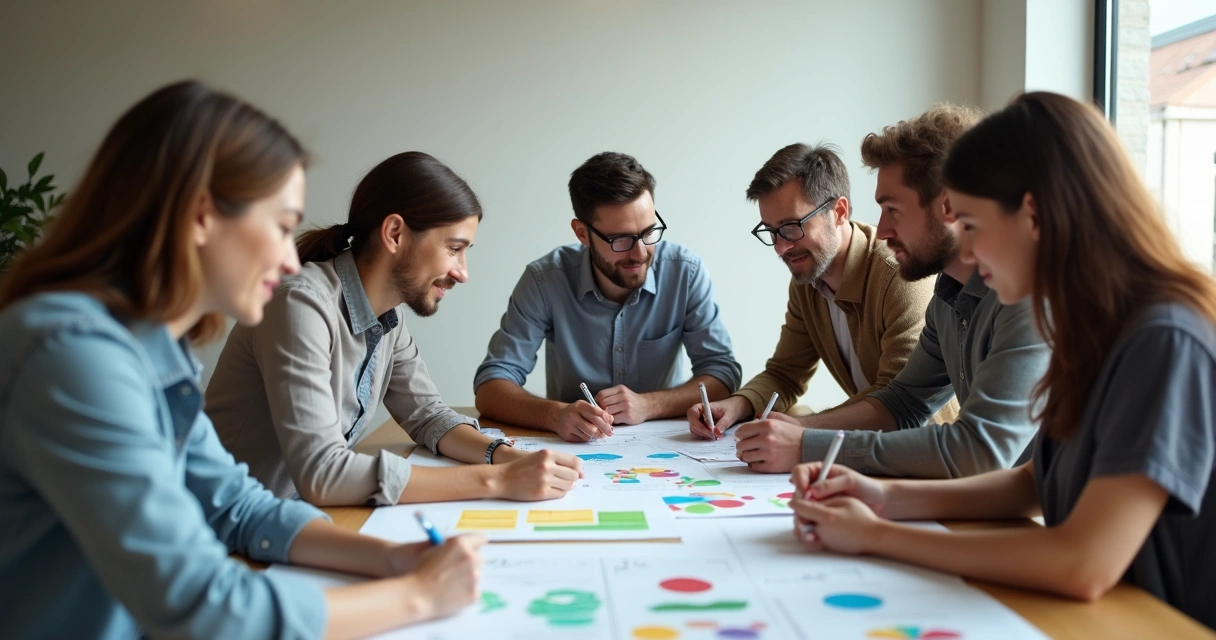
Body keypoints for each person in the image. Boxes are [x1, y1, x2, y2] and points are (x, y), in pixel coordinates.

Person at [0, 81, 483, 639]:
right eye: (281, 227)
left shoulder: (153, 348)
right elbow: (203, 607)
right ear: (201, 215)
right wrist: (418, 596)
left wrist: (392, 559)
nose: (290, 258)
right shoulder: (74, 357)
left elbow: (237, 506)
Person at [789, 92, 1216, 631]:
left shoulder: (1162, 339)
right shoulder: (1092, 329)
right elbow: (1034, 481)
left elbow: (1083, 562)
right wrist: (882, 496)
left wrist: (877, 536)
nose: (967, 251)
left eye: (971, 225)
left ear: (1031, 215)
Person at [206, 152, 583, 507]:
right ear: (394, 233)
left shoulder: (389, 317)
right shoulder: (300, 305)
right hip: (228, 535)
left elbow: (429, 416)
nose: (462, 273)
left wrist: (507, 457)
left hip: (293, 523)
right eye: (454, 248)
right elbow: (322, 473)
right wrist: (497, 480)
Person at [734, 103, 1049, 477]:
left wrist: (808, 444)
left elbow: (980, 452)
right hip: (980, 492)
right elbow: (902, 402)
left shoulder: (1029, 297)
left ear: (948, 206)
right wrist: (798, 431)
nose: (881, 230)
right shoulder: (947, 295)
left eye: (892, 210)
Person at [687, 143, 957, 438]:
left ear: (839, 211)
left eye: (792, 227)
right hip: (872, 445)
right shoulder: (808, 280)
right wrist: (736, 405)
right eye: (772, 231)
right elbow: (785, 373)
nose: (781, 247)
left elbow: (899, 401)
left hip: (927, 448)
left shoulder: (899, 276)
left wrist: (802, 428)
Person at [475, 152, 742, 441]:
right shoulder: (545, 280)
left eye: (649, 232)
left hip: (667, 446)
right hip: (576, 448)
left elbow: (722, 372)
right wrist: (555, 415)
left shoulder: (684, 272)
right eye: (620, 240)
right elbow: (491, 387)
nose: (640, 253)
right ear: (582, 233)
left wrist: (649, 405)